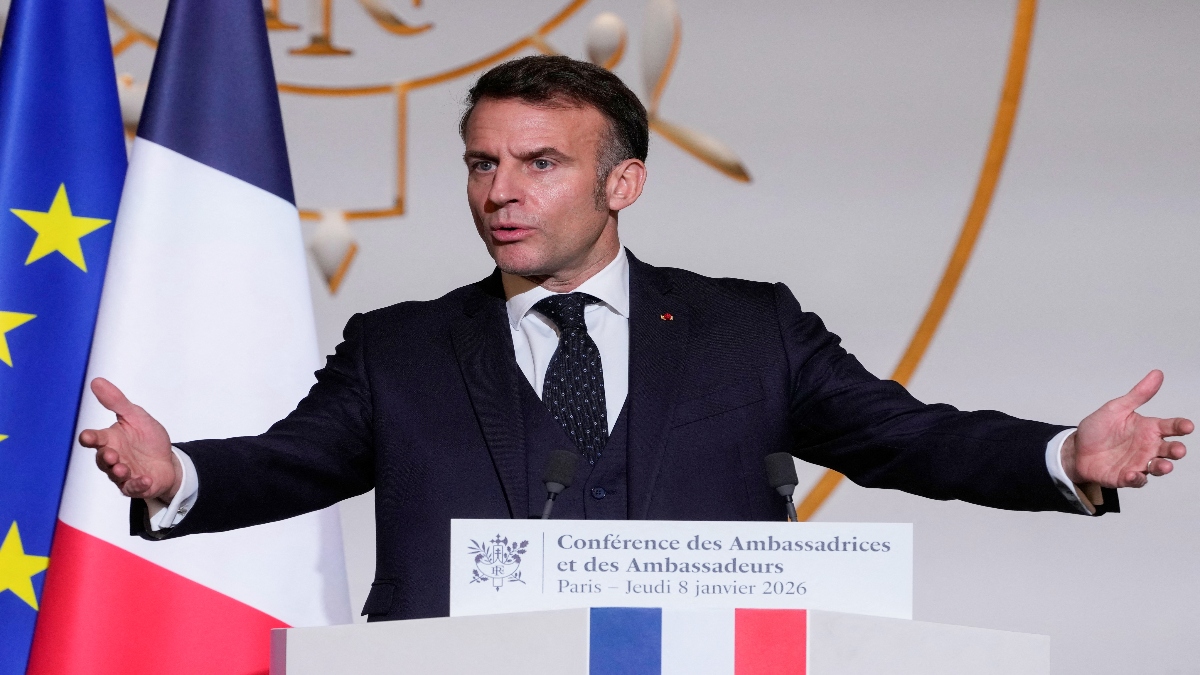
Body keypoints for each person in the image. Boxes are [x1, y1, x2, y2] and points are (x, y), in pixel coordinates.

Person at [82, 55, 1191, 621]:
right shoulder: (398, 348)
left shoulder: (749, 330)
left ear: (624, 183)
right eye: (482, 163)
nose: (500, 193)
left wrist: (1063, 455)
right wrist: (178, 476)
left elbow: (907, 436)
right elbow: (292, 462)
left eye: (540, 164)